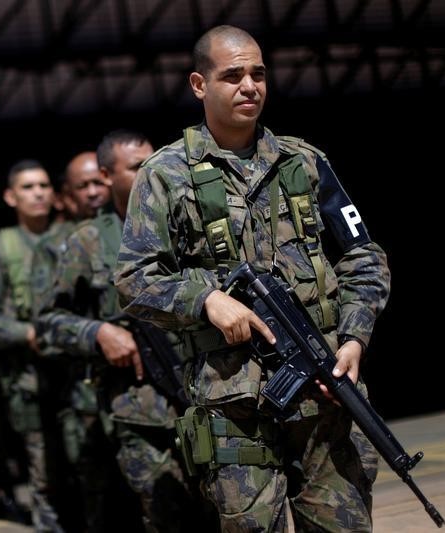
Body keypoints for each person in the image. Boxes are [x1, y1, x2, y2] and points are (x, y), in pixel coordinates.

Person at [114, 25, 390, 532]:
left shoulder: (304, 162)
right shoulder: (165, 174)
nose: (250, 86)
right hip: (233, 409)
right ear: (200, 85)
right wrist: (205, 300)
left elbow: (364, 257)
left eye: (258, 74)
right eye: (233, 75)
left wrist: (354, 338)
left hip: (324, 395)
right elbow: (133, 279)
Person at [39, 129, 218, 533]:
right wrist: (98, 333)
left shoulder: (187, 225)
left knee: (221, 511)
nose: (150, 170)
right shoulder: (86, 243)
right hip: (142, 410)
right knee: (167, 514)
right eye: (137, 166)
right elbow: (48, 322)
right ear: (106, 177)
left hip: (205, 392)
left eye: (152, 161)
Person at [0, 159, 74, 533]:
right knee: (46, 478)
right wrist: (27, 333)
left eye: (44, 185)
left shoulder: (75, 236)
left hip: (81, 382)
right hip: (33, 385)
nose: (38, 193)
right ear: (10, 196)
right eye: (28, 187)